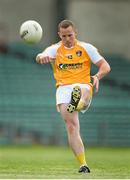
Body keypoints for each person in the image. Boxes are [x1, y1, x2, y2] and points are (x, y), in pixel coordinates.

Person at [36, 20, 111, 173]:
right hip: (63, 88)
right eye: (64, 36)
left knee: (81, 90)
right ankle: (83, 164)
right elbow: (41, 55)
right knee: (71, 127)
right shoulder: (55, 49)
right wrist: (40, 57)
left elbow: (105, 66)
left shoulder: (86, 48)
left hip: (82, 83)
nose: (67, 39)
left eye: (70, 35)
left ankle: (81, 101)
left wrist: (97, 76)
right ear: (59, 35)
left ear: (75, 32)